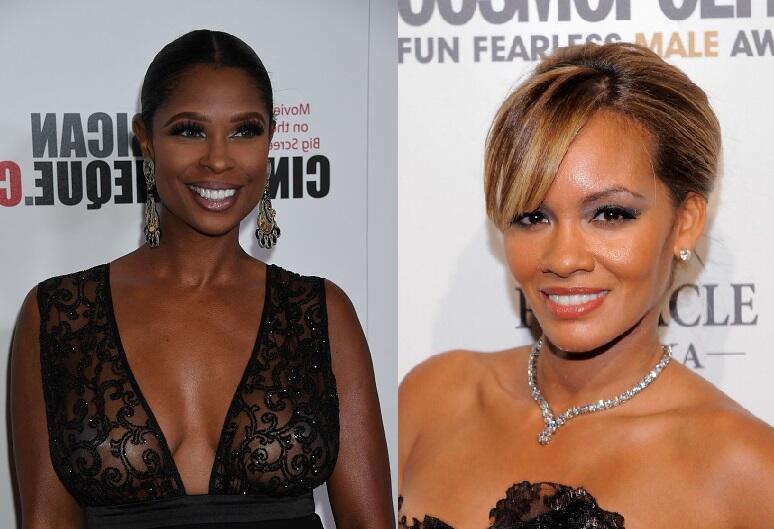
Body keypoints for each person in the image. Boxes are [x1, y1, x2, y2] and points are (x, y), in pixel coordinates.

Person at [10, 30, 392, 529]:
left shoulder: (320, 312)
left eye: (244, 131)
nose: (217, 158)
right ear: (145, 139)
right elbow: (47, 521)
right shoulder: (59, 313)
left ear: (271, 141)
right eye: (190, 130)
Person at [398, 42, 774, 529]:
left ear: (685, 222)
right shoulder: (432, 397)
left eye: (610, 214)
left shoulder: (746, 469)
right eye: (532, 216)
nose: (563, 259)